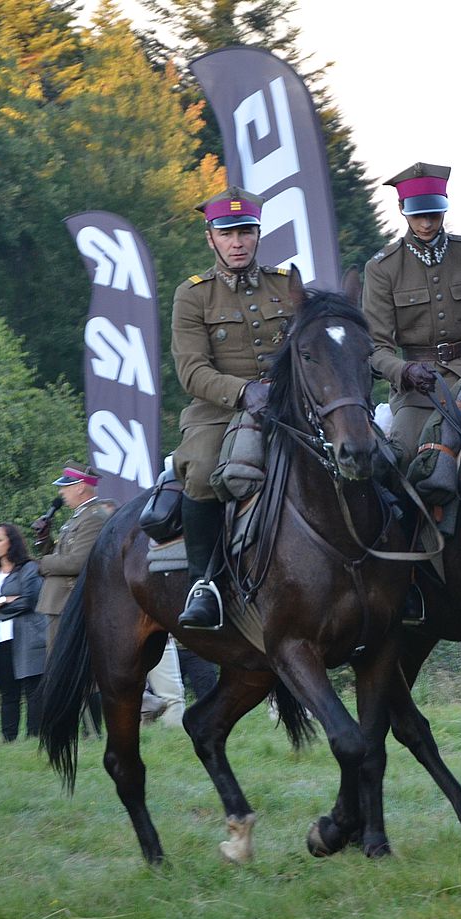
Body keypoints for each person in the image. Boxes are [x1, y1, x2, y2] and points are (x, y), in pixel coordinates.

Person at [171, 185, 295, 630]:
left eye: (246, 232)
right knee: (203, 470)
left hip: (287, 407)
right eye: (227, 233)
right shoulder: (193, 295)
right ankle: (203, 584)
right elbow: (191, 371)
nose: (237, 242)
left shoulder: (285, 284)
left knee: (359, 451)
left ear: (258, 234)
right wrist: (243, 392)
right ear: (211, 238)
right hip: (219, 412)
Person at [363, 162, 461, 469]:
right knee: (400, 460)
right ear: (402, 209)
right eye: (418, 215)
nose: (426, 223)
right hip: (420, 390)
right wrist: (403, 371)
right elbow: (376, 348)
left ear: (444, 207)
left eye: (433, 214)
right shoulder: (382, 268)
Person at [0, 523, 45, 741]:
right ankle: (9, 739)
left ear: (11, 542)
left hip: (27, 638)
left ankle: (34, 737)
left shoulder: (29, 568)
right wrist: (4, 600)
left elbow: (28, 601)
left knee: (33, 691)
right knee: (8, 692)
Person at [34, 461, 116, 648]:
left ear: (80, 487)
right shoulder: (81, 516)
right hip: (61, 602)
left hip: (68, 601)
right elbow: (61, 553)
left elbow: (78, 562)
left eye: (65, 487)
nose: (61, 492)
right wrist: (44, 538)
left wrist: (42, 563)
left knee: (62, 656)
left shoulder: (93, 517)